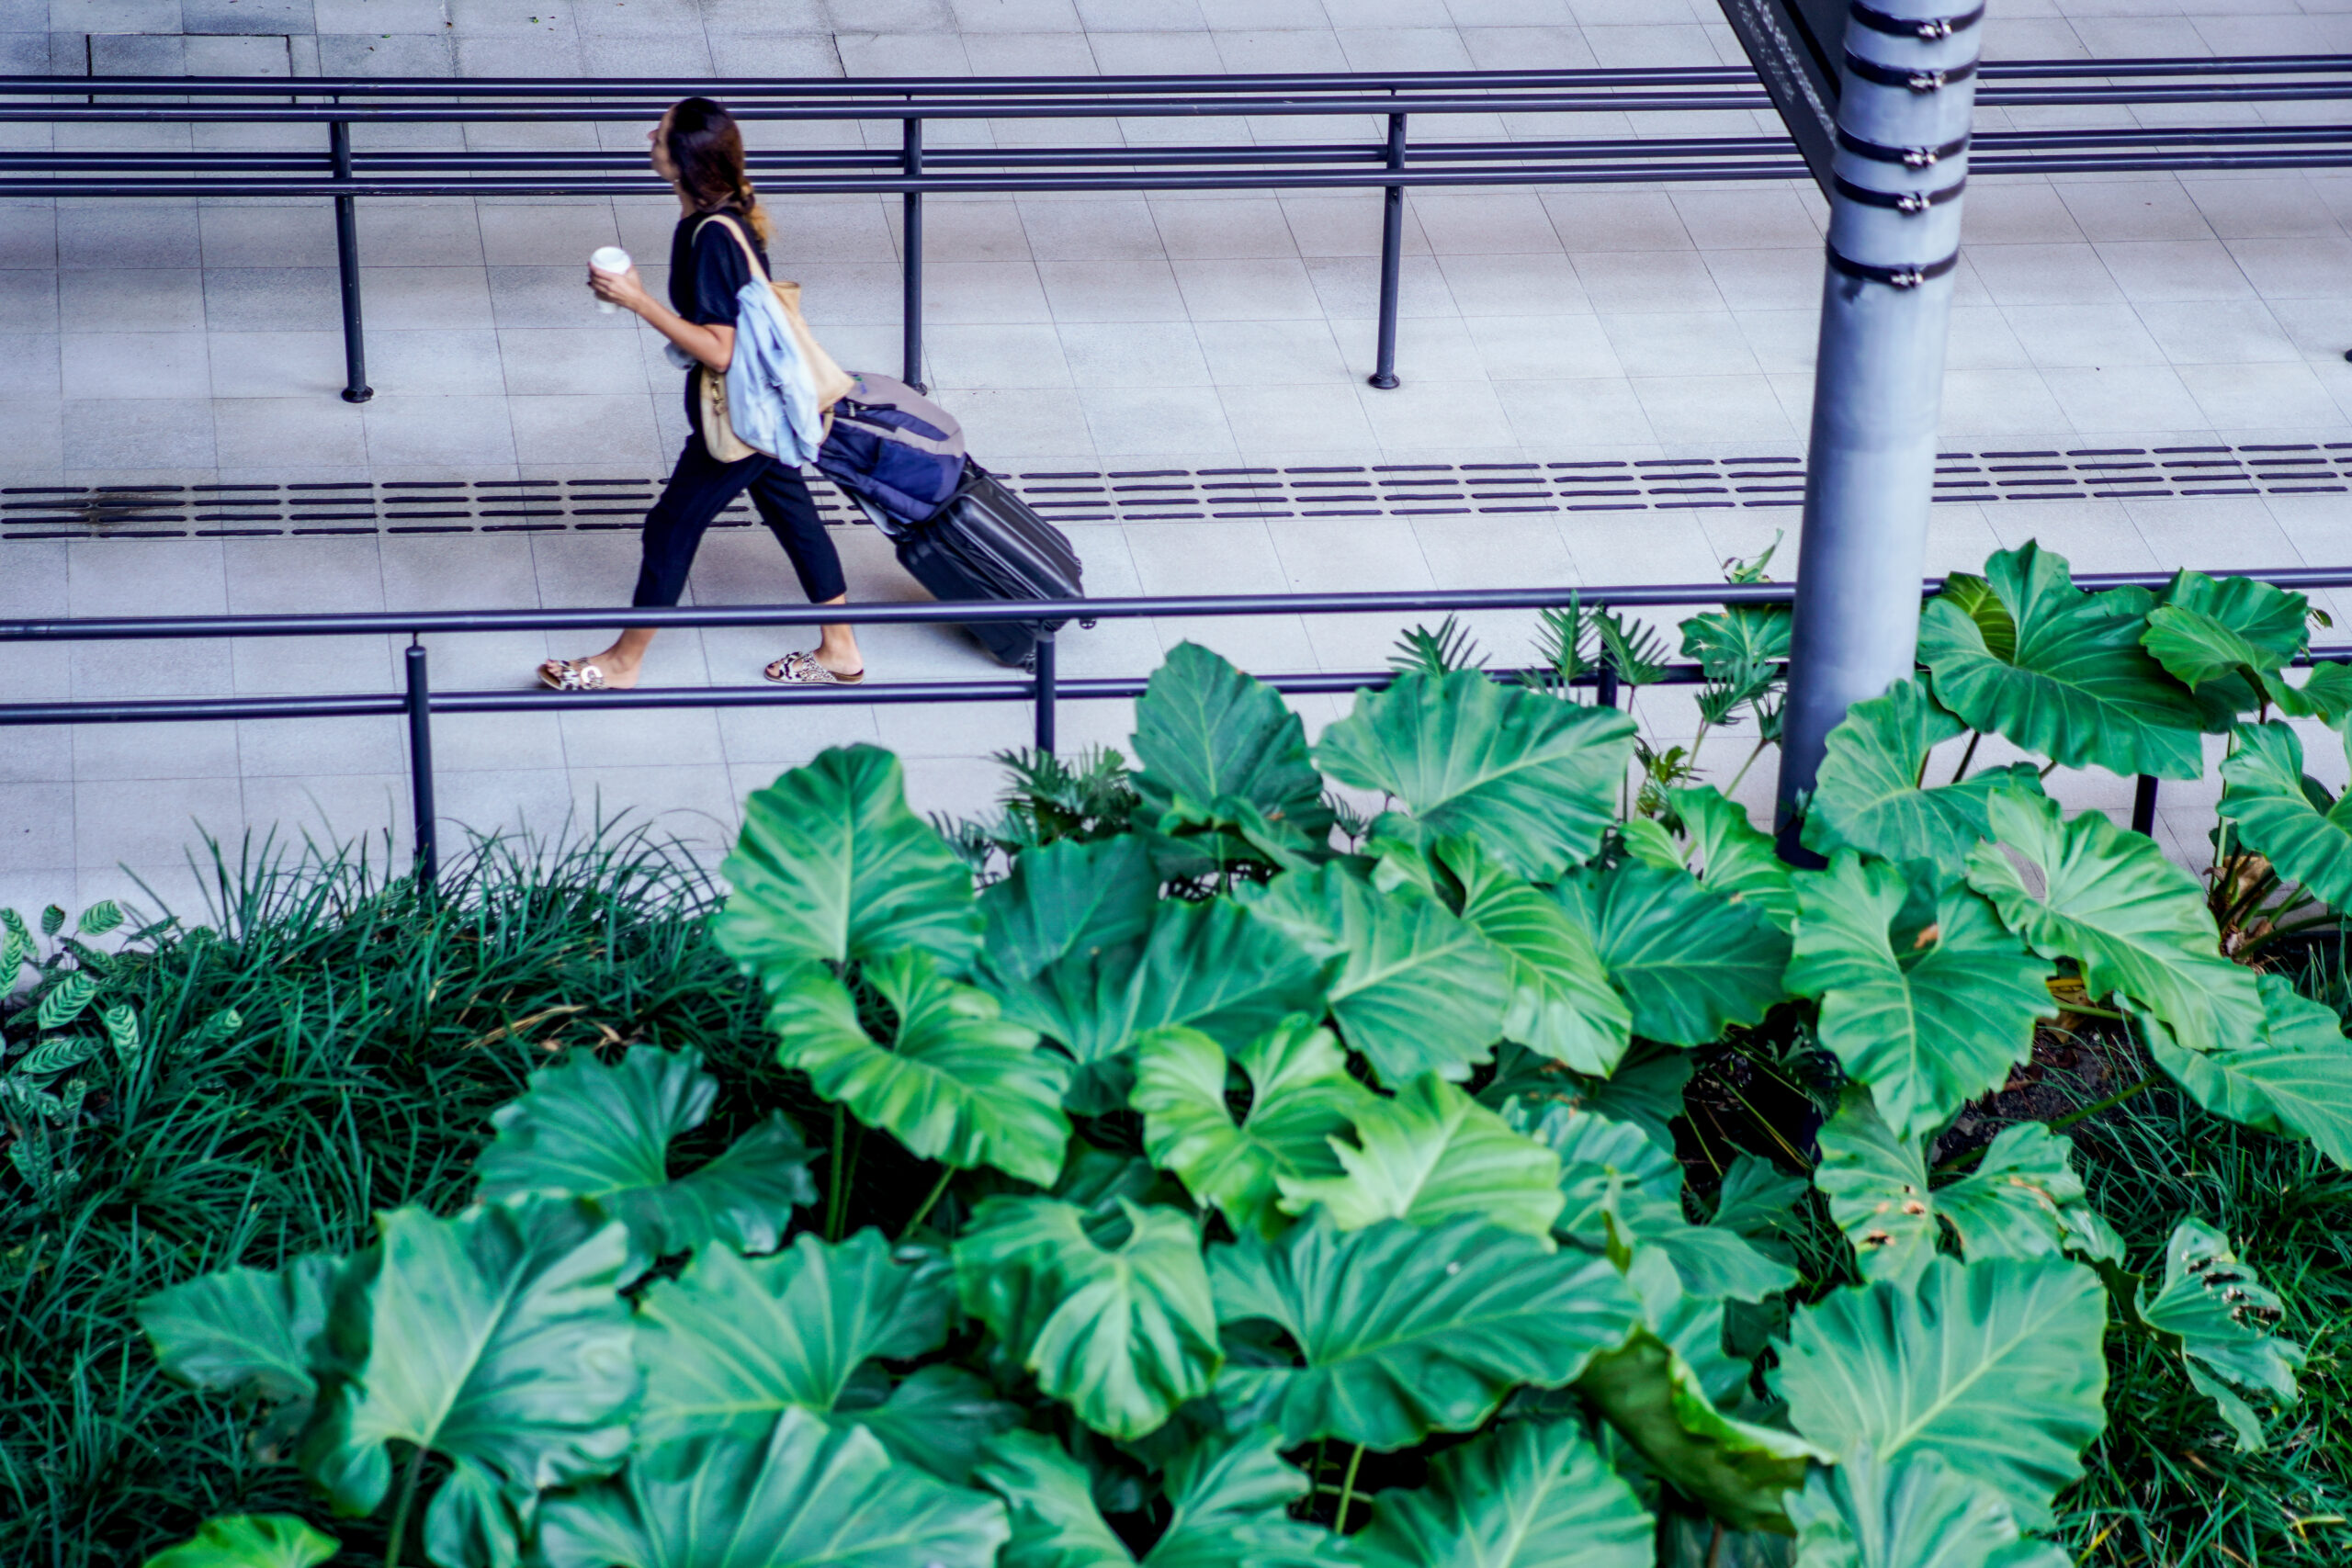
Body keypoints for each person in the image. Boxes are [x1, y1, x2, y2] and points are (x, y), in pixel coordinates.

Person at [539, 96, 864, 692]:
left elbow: (723, 350)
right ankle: (840, 648)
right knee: (792, 513)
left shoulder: (712, 237)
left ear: (684, 162)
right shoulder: (712, 218)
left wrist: (636, 300)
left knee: (670, 527)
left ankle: (622, 663)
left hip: (740, 421)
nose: (649, 138)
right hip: (759, 410)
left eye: (658, 134)